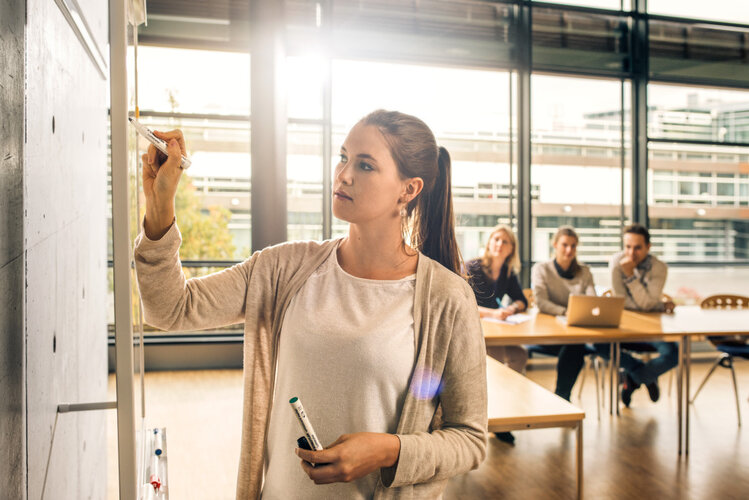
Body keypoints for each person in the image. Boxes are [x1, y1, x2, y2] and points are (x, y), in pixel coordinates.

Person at [133, 110, 488, 499]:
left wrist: (388, 451)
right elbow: (170, 308)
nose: (344, 174)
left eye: (365, 165)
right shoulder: (284, 268)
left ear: (409, 190)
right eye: (343, 157)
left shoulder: (447, 298)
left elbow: (469, 439)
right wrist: (160, 205)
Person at [595, 223, 677, 407]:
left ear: (649, 247)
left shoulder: (659, 268)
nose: (631, 254)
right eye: (628, 247)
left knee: (674, 354)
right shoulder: (616, 262)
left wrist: (631, 276)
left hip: (651, 327)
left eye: (638, 248)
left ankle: (632, 379)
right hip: (624, 325)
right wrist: (655, 305)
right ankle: (646, 376)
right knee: (600, 346)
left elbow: (646, 304)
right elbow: (621, 301)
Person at [466, 224, 528, 445]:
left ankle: (505, 408)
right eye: (496, 239)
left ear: (512, 249)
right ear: (489, 242)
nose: (499, 245)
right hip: (472, 329)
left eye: (505, 242)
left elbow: (522, 300)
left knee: (520, 356)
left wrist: (511, 309)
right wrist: (494, 312)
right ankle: (495, 420)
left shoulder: (507, 272)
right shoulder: (473, 266)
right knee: (498, 357)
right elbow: (465, 302)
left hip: (496, 327)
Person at [531, 226, 596, 401]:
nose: (569, 250)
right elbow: (541, 302)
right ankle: (562, 397)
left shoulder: (584, 272)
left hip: (575, 331)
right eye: (565, 245)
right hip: (549, 331)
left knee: (575, 347)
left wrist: (577, 314)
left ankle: (561, 397)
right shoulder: (541, 269)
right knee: (575, 350)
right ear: (555, 245)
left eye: (573, 246)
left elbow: (592, 300)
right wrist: (566, 311)